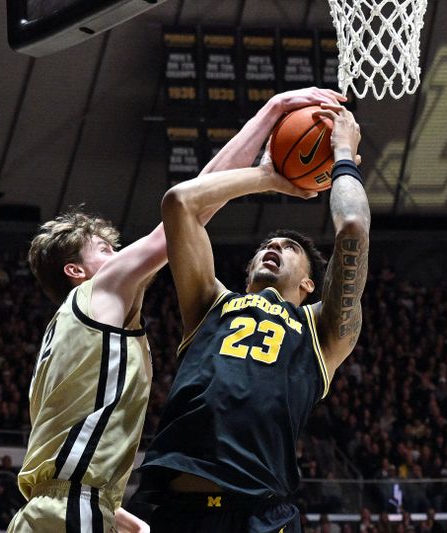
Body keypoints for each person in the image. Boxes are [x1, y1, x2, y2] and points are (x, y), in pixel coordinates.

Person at [7, 87, 346, 533]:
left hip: (54, 510)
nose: (121, 255)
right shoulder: (102, 291)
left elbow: (59, 454)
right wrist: (271, 134)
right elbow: (187, 207)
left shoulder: (64, 338)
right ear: (76, 270)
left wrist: (119, 517)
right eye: (106, 250)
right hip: (72, 510)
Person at [133, 102, 367, 532]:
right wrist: (266, 178)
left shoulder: (320, 330)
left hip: (260, 516)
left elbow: (352, 226)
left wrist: (343, 156)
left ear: (309, 286)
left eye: (290, 248)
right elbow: (179, 202)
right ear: (247, 272)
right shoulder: (210, 304)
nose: (274, 247)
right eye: (266, 246)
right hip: (179, 513)